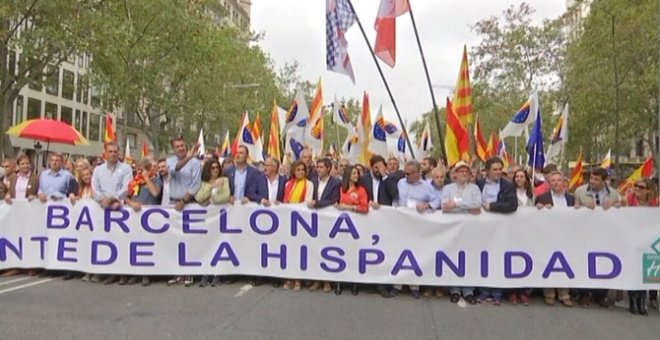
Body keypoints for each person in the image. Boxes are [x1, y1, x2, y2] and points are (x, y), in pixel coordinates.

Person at [574, 167, 621, 307]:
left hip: (605, 234)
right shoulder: (580, 191)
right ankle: (584, 294)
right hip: (585, 234)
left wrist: (615, 204)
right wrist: (581, 207)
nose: (592, 181)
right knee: (585, 262)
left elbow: (621, 207)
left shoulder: (613, 193)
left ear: (604, 180)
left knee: (603, 262)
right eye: (591, 178)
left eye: (596, 179)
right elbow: (574, 209)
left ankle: (601, 295)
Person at [393, 160, 439, 299]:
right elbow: (396, 198)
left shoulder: (426, 186)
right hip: (401, 223)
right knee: (400, 253)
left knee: (414, 254)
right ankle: (397, 285)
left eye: (409, 173)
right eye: (405, 173)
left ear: (417, 172)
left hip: (417, 225)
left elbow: (437, 201)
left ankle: (414, 285)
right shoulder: (401, 183)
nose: (406, 176)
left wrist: (427, 205)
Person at [475, 157, 517, 305]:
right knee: (483, 258)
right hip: (481, 227)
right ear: (487, 171)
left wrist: (493, 206)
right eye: (495, 169)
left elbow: (512, 205)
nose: (498, 172)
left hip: (500, 228)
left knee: (497, 258)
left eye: (500, 169)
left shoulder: (508, 185)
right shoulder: (478, 183)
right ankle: (484, 291)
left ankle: (497, 292)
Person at [91, 142, 133, 284]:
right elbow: (95, 188)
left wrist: (111, 199)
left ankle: (122, 273)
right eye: (110, 151)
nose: (113, 154)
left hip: (119, 209)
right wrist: (103, 199)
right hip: (102, 209)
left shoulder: (126, 169)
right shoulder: (98, 170)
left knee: (120, 242)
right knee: (105, 241)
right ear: (105, 153)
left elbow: (126, 188)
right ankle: (106, 272)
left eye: (115, 151)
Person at [441, 161, 482, 305]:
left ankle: (468, 290)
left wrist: (457, 204)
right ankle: (455, 290)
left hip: (471, 229)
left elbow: (477, 205)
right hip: (452, 228)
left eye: (466, 171)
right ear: (455, 174)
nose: (464, 173)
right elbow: (445, 206)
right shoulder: (447, 188)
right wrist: (466, 206)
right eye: (461, 171)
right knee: (453, 257)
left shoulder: (475, 188)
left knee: (469, 258)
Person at [534, 170, 576, 307]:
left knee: (565, 265)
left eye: (559, 180)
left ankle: (564, 294)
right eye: (553, 180)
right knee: (549, 264)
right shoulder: (543, 197)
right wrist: (540, 208)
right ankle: (549, 293)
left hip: (566, 236)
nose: (556, 183)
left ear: (564, 182)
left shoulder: (571, 199)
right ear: (549, 183)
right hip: (548, 236)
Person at [359, 155, 398, 298]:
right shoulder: (364, 180)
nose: (378, 170)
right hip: (367, 220)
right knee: (367, 250)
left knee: (383, 251)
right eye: (376, 167)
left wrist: (384, 176)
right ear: (371, 167)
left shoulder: (390, 179)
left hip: (384, 221)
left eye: (381, 167)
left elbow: (394, 194)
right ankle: (368, 282)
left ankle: (382, 284)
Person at [121, 158, 163, 286]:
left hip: (149, 219)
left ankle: (146, 274)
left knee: (147, 245)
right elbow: (126, 198)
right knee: (134, 244)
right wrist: (131, 203)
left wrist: (146, 178)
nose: (139, 172)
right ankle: (134, 273)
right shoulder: (135, 182)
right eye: (138, 169)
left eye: (142, 169)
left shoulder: (156, 180)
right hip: (134, 216)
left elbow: (155, 193)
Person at [166, 137, 202, 287]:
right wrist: (189, 157)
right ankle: (176, 272)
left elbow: (196, 184)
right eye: (177, 146)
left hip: (187, 203)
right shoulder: (170, 161)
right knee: (175, 239)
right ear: (173, 149)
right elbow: (175, 170)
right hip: (173, 204)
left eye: (182, 146)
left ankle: (189, 272)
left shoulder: (195, 163)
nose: (180, 148)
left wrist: (184, 201)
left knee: (189, 239)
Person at [622, 177, 657, 315]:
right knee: (632, 269)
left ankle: (642, 300)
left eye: (640, 187)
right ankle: (633, 300)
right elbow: (616, 207)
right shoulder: (629, 199)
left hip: (647, 240)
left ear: (648, 190)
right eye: (636, 186)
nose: (637, 189)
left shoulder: (655, 203)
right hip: (630, 238)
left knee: (644, 271)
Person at [334, 165, 369, 295]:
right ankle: (338, 281)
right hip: (341, 227)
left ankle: (355, 282)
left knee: (354, 253)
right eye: (354, 173)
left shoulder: (361, 190)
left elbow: (364, 208)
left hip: (356, 226)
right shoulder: (341, 189)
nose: (357, 176)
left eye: (357, 173)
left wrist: (349, 208)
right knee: (340, 253)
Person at [308, 158, 341, 293]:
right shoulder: (312, 181)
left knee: (326, 249)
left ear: (328, 168)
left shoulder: (336, 183)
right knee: (314, 249)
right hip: (313, 221)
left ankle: (327, 281)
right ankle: (316, 280)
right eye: (317, 167)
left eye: (321, 167)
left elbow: (333, 200)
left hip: (328, 221)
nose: (318, 169)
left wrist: (317, 203)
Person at [282, 160, 314, 291]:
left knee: (299, 250)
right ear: (294, 171)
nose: (300, 172)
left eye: (302, 169)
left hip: (302, 222)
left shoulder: (309, 184)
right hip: (289, 221)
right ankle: (289, 277)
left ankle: (298, 279)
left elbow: (307, 202)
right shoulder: (288, 184)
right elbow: (285, 200)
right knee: (289, 250)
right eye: (298, 170)